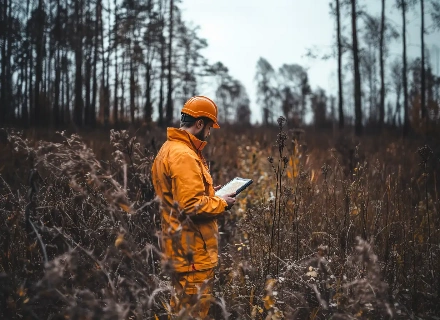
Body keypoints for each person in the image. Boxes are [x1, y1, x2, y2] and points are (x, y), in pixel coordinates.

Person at [151, 95, 236, 318]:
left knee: (180, 312)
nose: (209, 132)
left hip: (180, 250)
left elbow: (179, 198)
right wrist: (221, 202)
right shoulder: (184, 155)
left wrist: (210, 194)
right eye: (209, 127)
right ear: (199, 124)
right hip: (193, 255)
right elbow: (190, 207)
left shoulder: (168, 149)